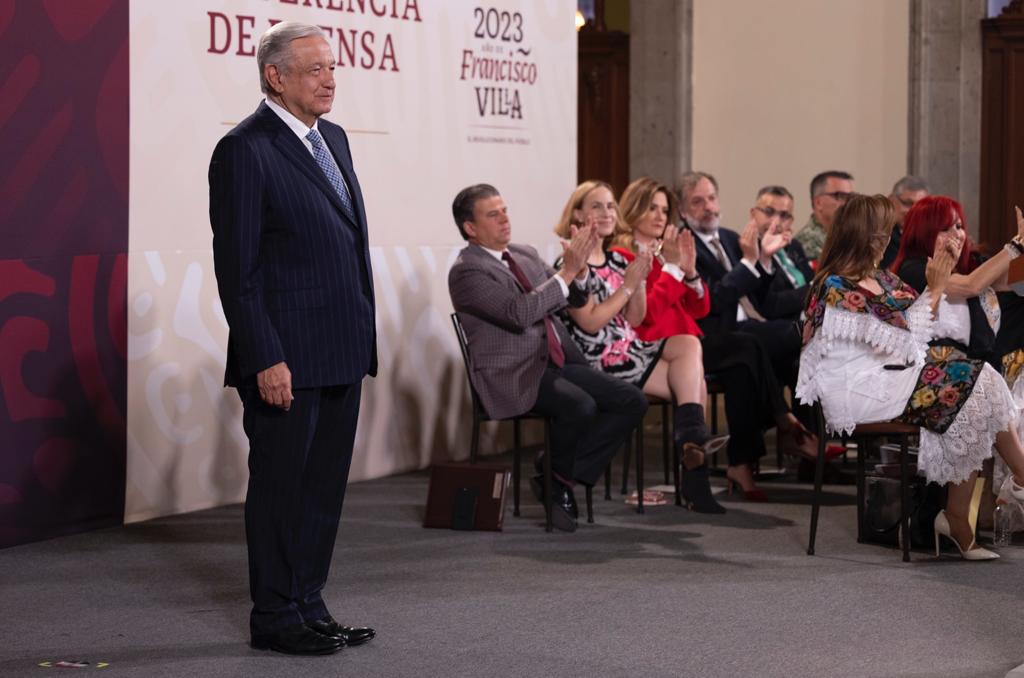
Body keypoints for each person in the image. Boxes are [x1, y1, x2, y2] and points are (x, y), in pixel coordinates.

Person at [209, 22, 376, 655]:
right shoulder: (243, 150)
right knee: (280, 491)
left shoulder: (332, 138)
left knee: (323, 489)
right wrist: (265, 356)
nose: (330, 80)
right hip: (285, 358)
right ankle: (275, 616)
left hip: (341, 348)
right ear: (275, 77)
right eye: (314, 70)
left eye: (332, 68)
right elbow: (239, 271)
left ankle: (310, 603)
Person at [797, 194, 1024, 560]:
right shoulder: (835, 287)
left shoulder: (884, 279)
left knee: (980, 380)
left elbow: (913, 340)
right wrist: (935, 288)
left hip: (893, 377)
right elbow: (907, 340)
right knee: (970, 380)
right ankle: (989, 499)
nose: (888, 239)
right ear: (866, 235)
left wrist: (936, 287)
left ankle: (960, 517)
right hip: (857, 391)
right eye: (884, 232)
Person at [448, 183, 648, 531]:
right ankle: (559, 481)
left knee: (631, 400)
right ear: (470, 228)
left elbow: (570, 299)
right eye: (493, 215)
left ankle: (557, 474)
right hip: (513, 371)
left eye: (505, 211)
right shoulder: (467, 271)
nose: (504, 220)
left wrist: (579, 272)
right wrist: (566, 273)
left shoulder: (524, 254)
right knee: (581, 406)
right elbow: (519, 313)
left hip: (554, 361)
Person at [616, 176, 814, 500]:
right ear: (633, 210)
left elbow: (700, 305)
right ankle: (783, 421)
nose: (659, 216)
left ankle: (740, 463)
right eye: (651, 208)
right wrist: (675, 271)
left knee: (743, 366)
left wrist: (691, 275)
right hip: (660, 343)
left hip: (691, 338)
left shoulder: (672, 248)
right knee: (750, 344)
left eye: (663, 210)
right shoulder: (625, 253)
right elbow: (648, 315)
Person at [553, 180, 725, 513]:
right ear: (577, 215)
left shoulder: (618, 262)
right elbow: (590, 324)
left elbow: (634, 317)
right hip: (600, 356)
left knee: (689, 346)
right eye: (597, 206)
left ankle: (691, 441)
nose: (607, 213)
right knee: (694, 384)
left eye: (610, 206)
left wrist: (641, 281)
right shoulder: (572, 261)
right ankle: (694, 464)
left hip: (630, 349)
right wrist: (633, 284)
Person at [892, 196, 1024, 496]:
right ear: (924, 232)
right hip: (929, 375)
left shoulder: (972, 267)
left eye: (960, 226)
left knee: (1002, 386)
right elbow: (970, 286)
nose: (957, 234)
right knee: (984, 387)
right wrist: (1015, 245)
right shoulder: (915, 270)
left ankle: (994, 502)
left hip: (972, 370)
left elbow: (1016, 284)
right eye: (946, 228)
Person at [754, 185, 813, 322]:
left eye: (784, 216)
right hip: (784, 324)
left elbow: (811, 279)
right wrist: (813, 290)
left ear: (791, 221)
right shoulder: (748, 251)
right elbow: (771, 305)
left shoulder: (794, 246)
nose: (775, 222)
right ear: (753, 214)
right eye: (769, 212)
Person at [793, 170, 855, 261]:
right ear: (818, 203)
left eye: (851, 198)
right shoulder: (808, 244)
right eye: (840, 196)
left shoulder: (845, 237)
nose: (848, 203)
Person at [880, 175, 930, 270]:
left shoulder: (931, 235)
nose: (913, 211)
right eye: (908, 203)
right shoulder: (881, 232)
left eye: (920, 205)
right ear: (891, 200)